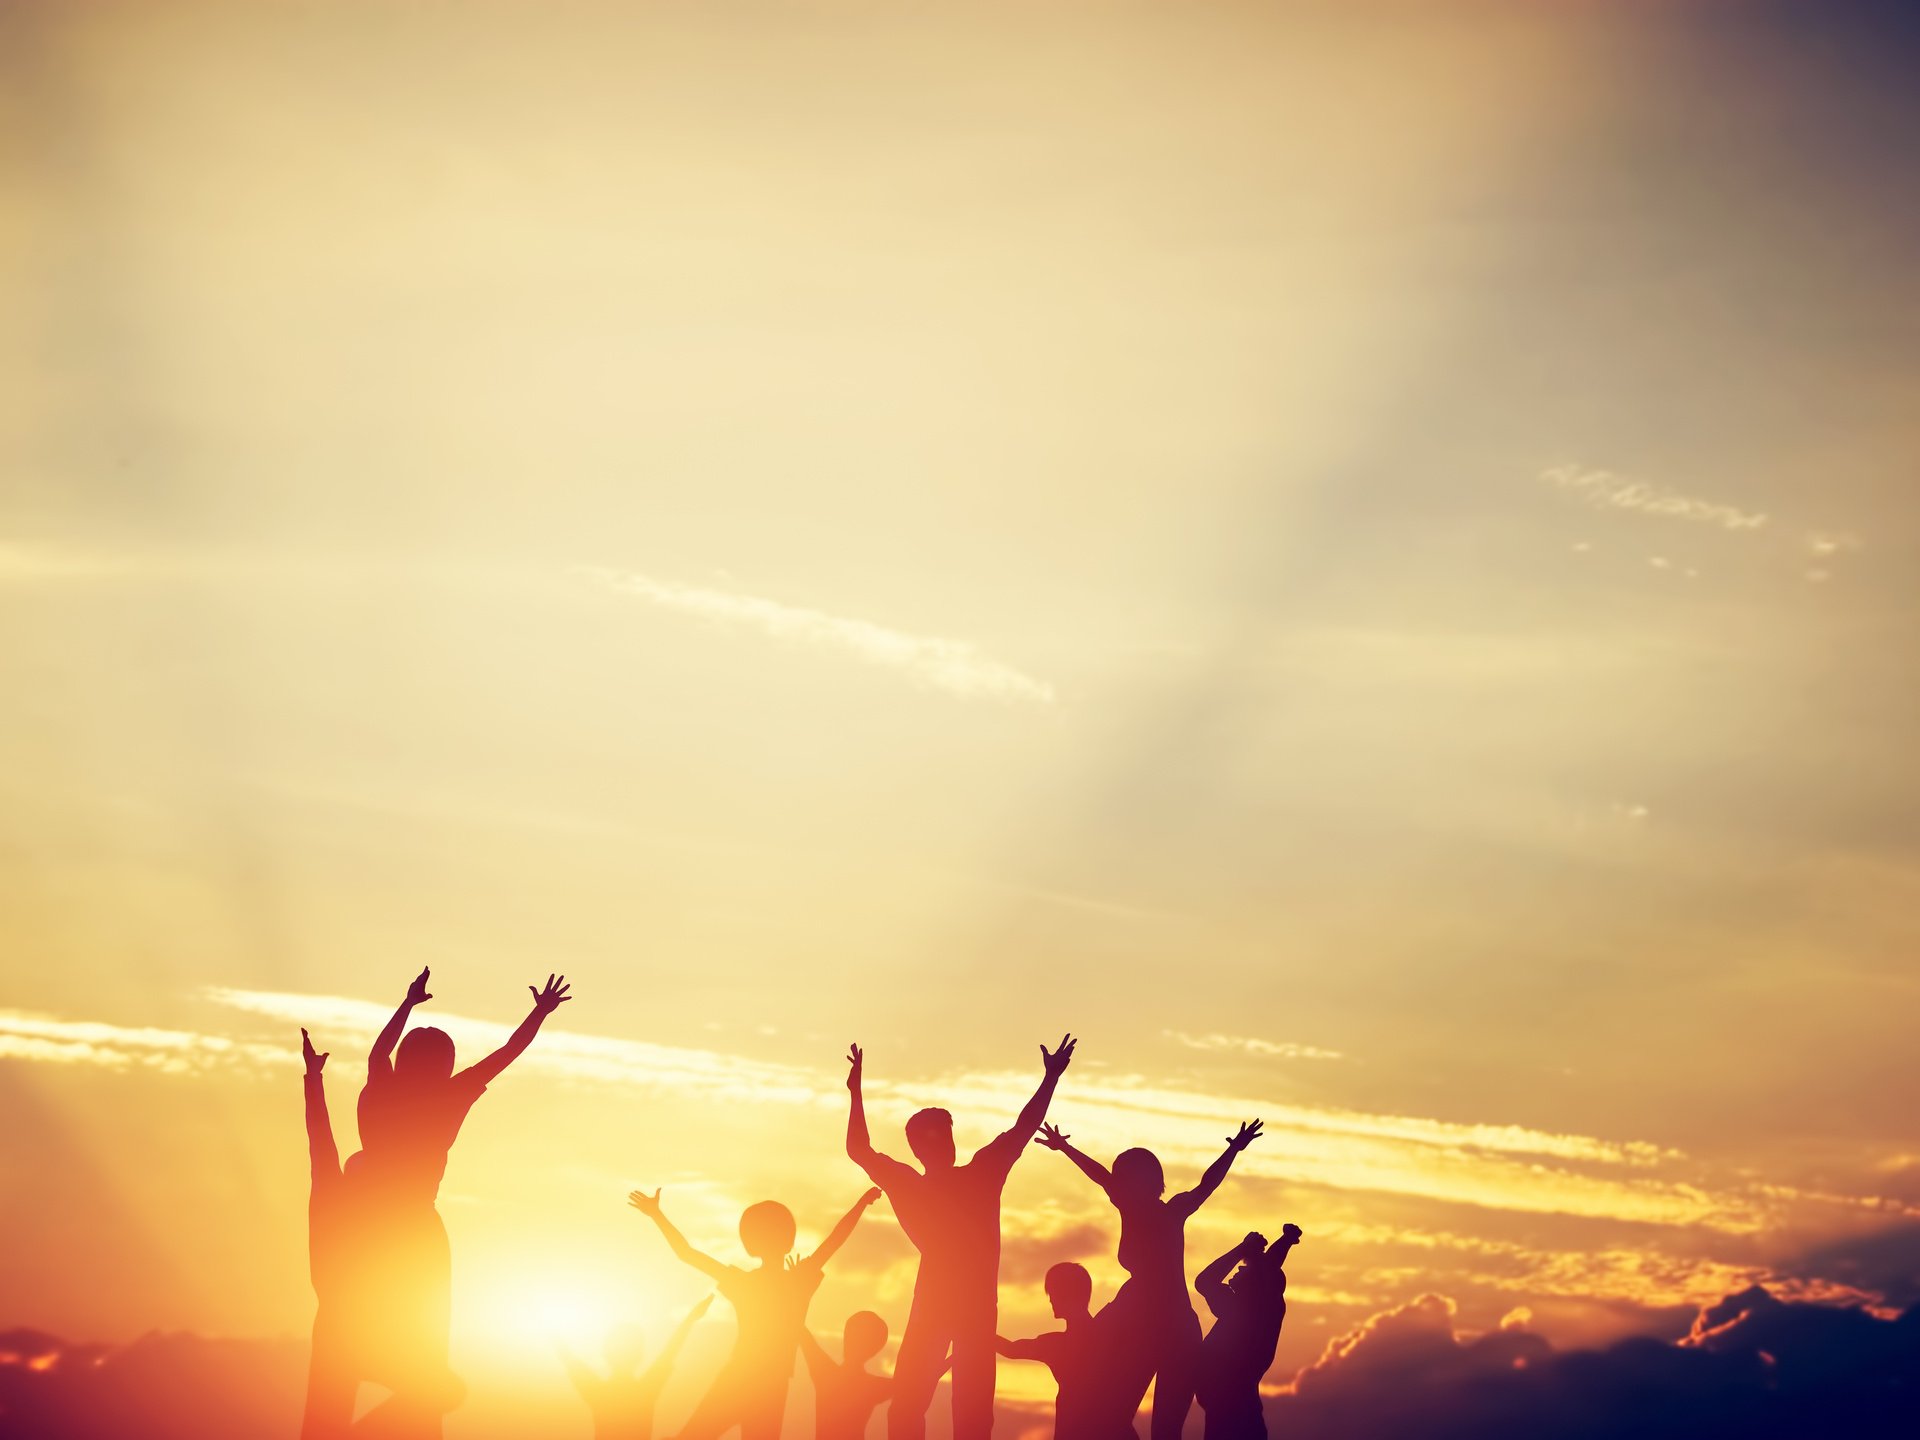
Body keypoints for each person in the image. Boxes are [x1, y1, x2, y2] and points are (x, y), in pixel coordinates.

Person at [344, 968, 573, 1431]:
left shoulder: (381, 1085)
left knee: (372, 1326)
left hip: (364, 1225)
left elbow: (378, 1050)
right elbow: (506, 1054)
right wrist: (538, 1014)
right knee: (423, 1344)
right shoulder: (451, 1096)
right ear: (445, 1065)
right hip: (416, 1231)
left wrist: (407, 1004)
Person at [844, 1035, 1076, 1440]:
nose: (940, 1144)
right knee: (925, 1409)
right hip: (947, 1307)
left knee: (952, 1413)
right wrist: (855, 1091)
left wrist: (857, 1092)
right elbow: (859, 1149)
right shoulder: (958, 1178)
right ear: (919, 1149)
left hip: (962, 1310)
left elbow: (858, 1148)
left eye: (943, 1135)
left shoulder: (965, 1176)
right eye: (932, 1138)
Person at [1034, 1118, 1262, 1440]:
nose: (1118, 1185)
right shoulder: (1138, 1207)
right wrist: (1066, 1148)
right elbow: (1101, 1176)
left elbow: (1206, 1185)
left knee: (1159, 1429)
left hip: (1172, 1332)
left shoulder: (1170, 1210)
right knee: (1119, 1420)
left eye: (1125, 1178)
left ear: (1148, 1182)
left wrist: (1233, 1150)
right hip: (1148, 1327)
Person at [628, 1185, 882, 1440]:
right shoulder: (798, 1281)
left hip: (741, 1377)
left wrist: (657, 1215)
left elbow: (687, 1254)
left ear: (749, 1242)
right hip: (771, 1383)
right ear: (789, 1239)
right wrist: (861, 1204)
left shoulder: (747, 1282)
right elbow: (834, 1241)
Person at [995, 1262, 1135, 1440]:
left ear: (1063, 1294)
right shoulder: (1107, 1333)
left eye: (1052, 1293)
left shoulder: (1056, 1345)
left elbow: (1011, 1350)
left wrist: (977, 1332)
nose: (1050, 1300)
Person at [1192, 1227, 1300, 1440]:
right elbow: (1269, 1267)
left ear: (1256, 1281)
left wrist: (1245, 1249)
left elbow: (1205, 1281)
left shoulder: (1246, 1308)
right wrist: (1258, 1250)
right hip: (1230, 1412)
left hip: (1230, 1415)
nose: (1238, 1270)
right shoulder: (1253, 1306)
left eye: (1245, 1269)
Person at [562, 1298, 713, 1440]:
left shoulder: (597, 1392)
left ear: (606, 1354)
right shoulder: (645, 1391)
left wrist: (689, 1320)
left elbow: (565, 1354)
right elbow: (670, 1352)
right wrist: (689, 1321)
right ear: (640, 1355)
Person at [798, 1311, 895, 1440]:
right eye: (851, 1334)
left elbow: (803, 1334)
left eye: (857, 1337)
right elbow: (803, 1334)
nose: (850, 1339)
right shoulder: (872, 1386)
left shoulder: (826, 1373)